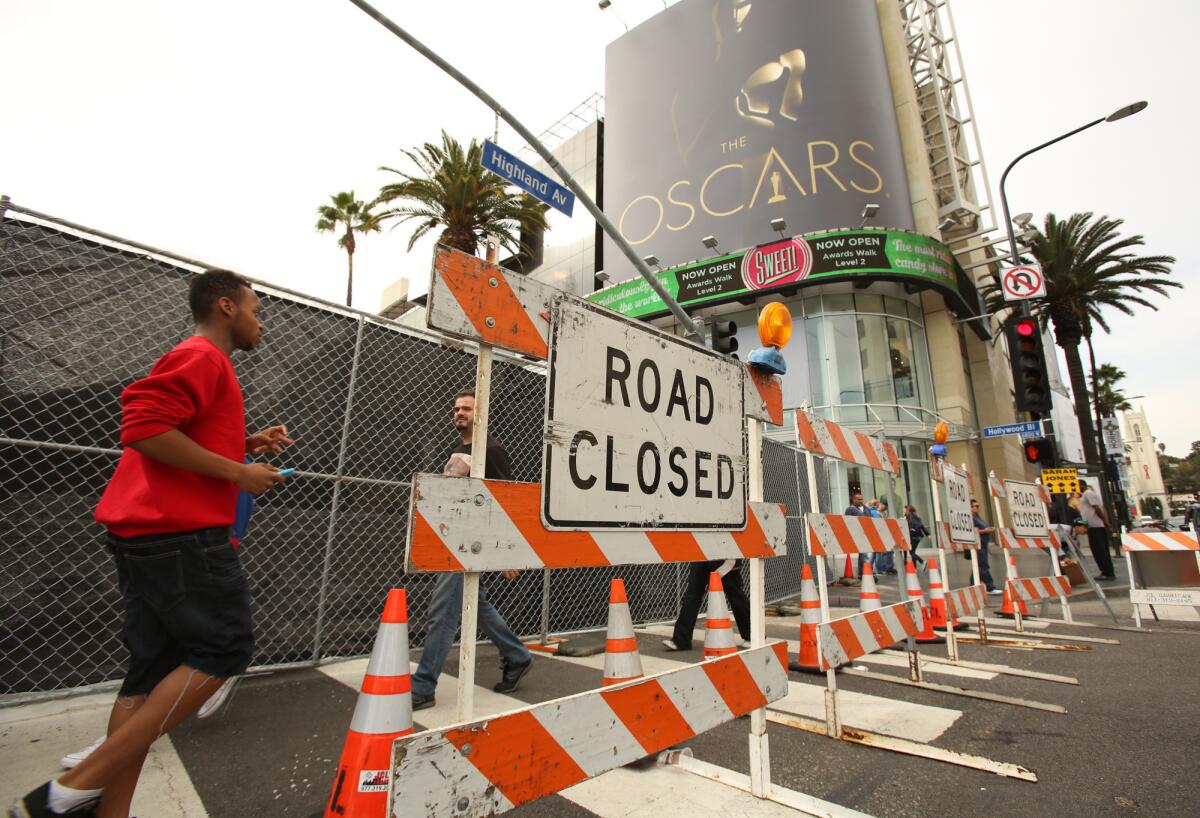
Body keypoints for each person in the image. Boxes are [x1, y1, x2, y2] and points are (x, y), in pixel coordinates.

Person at [12, 270, 292, 818]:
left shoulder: (209, 364)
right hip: (180, 536)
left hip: (145, 535)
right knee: (223, 650)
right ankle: (67, 793)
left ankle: (108, 811)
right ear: (226, 308)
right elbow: (142, 428)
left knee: (149, 672)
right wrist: (237, 472)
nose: (263, 323)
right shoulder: (203, 355)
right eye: (257, 310)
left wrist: (243, 441)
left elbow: (179, 431)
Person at [410, 390, 532, 711]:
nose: (459, 413)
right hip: (454, 543)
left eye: (466, 409)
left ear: (480, 415)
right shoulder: (459, 449)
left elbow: (508, 501)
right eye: (456, 409)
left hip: (471, 546)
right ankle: (517, 656)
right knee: (474, 605)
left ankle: (422, 687)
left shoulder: (490, 450)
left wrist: (507, 553)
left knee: (442, 613)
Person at [662, 559, 750, 652]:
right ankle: (681, 640)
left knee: (735, 595)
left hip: (723, 556)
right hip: (699, 557)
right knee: (692, 595)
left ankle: (752, 635)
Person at [1079, 482, 1117, 580]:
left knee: (1099, 551)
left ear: (1082, 485)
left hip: (1095, 526)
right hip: (1093, 527)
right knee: (1099, 551)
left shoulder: (1088, 493)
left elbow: (1097, 508)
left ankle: (1107, 572)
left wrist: (1105, 522)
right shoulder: (1087, 494)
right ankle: (1106, 571)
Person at [969, 499, 1002, 595]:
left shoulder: (977, 517)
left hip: (983, 543)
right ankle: (989, 587)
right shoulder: (970, 518)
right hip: (978, 544)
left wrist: (987, 529)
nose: (978, 508)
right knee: (983, 565)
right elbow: (972, 531)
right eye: (976, 506)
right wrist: (985, 530)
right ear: (970, 507)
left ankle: (973, 585)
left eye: (978, 506)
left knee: (978, 565)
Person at [868, 499, 896, 574]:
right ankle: (879, 569)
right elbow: (879, 524)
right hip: (878, 534)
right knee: (878, 552)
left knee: (875, 552)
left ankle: (870, 567)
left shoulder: (875, 512)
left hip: (877, 534)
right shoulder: (875, 512)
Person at [844, 492, 869, 577]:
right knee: (864, 554)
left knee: (863, 554)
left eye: (861, 499)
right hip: (856, 534)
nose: (860, 501)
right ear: (854, 500)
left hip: (865, 534)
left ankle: (863, 572)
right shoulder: (850, 509)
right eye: (858, 499)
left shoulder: (866, 508)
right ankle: (864, 572)